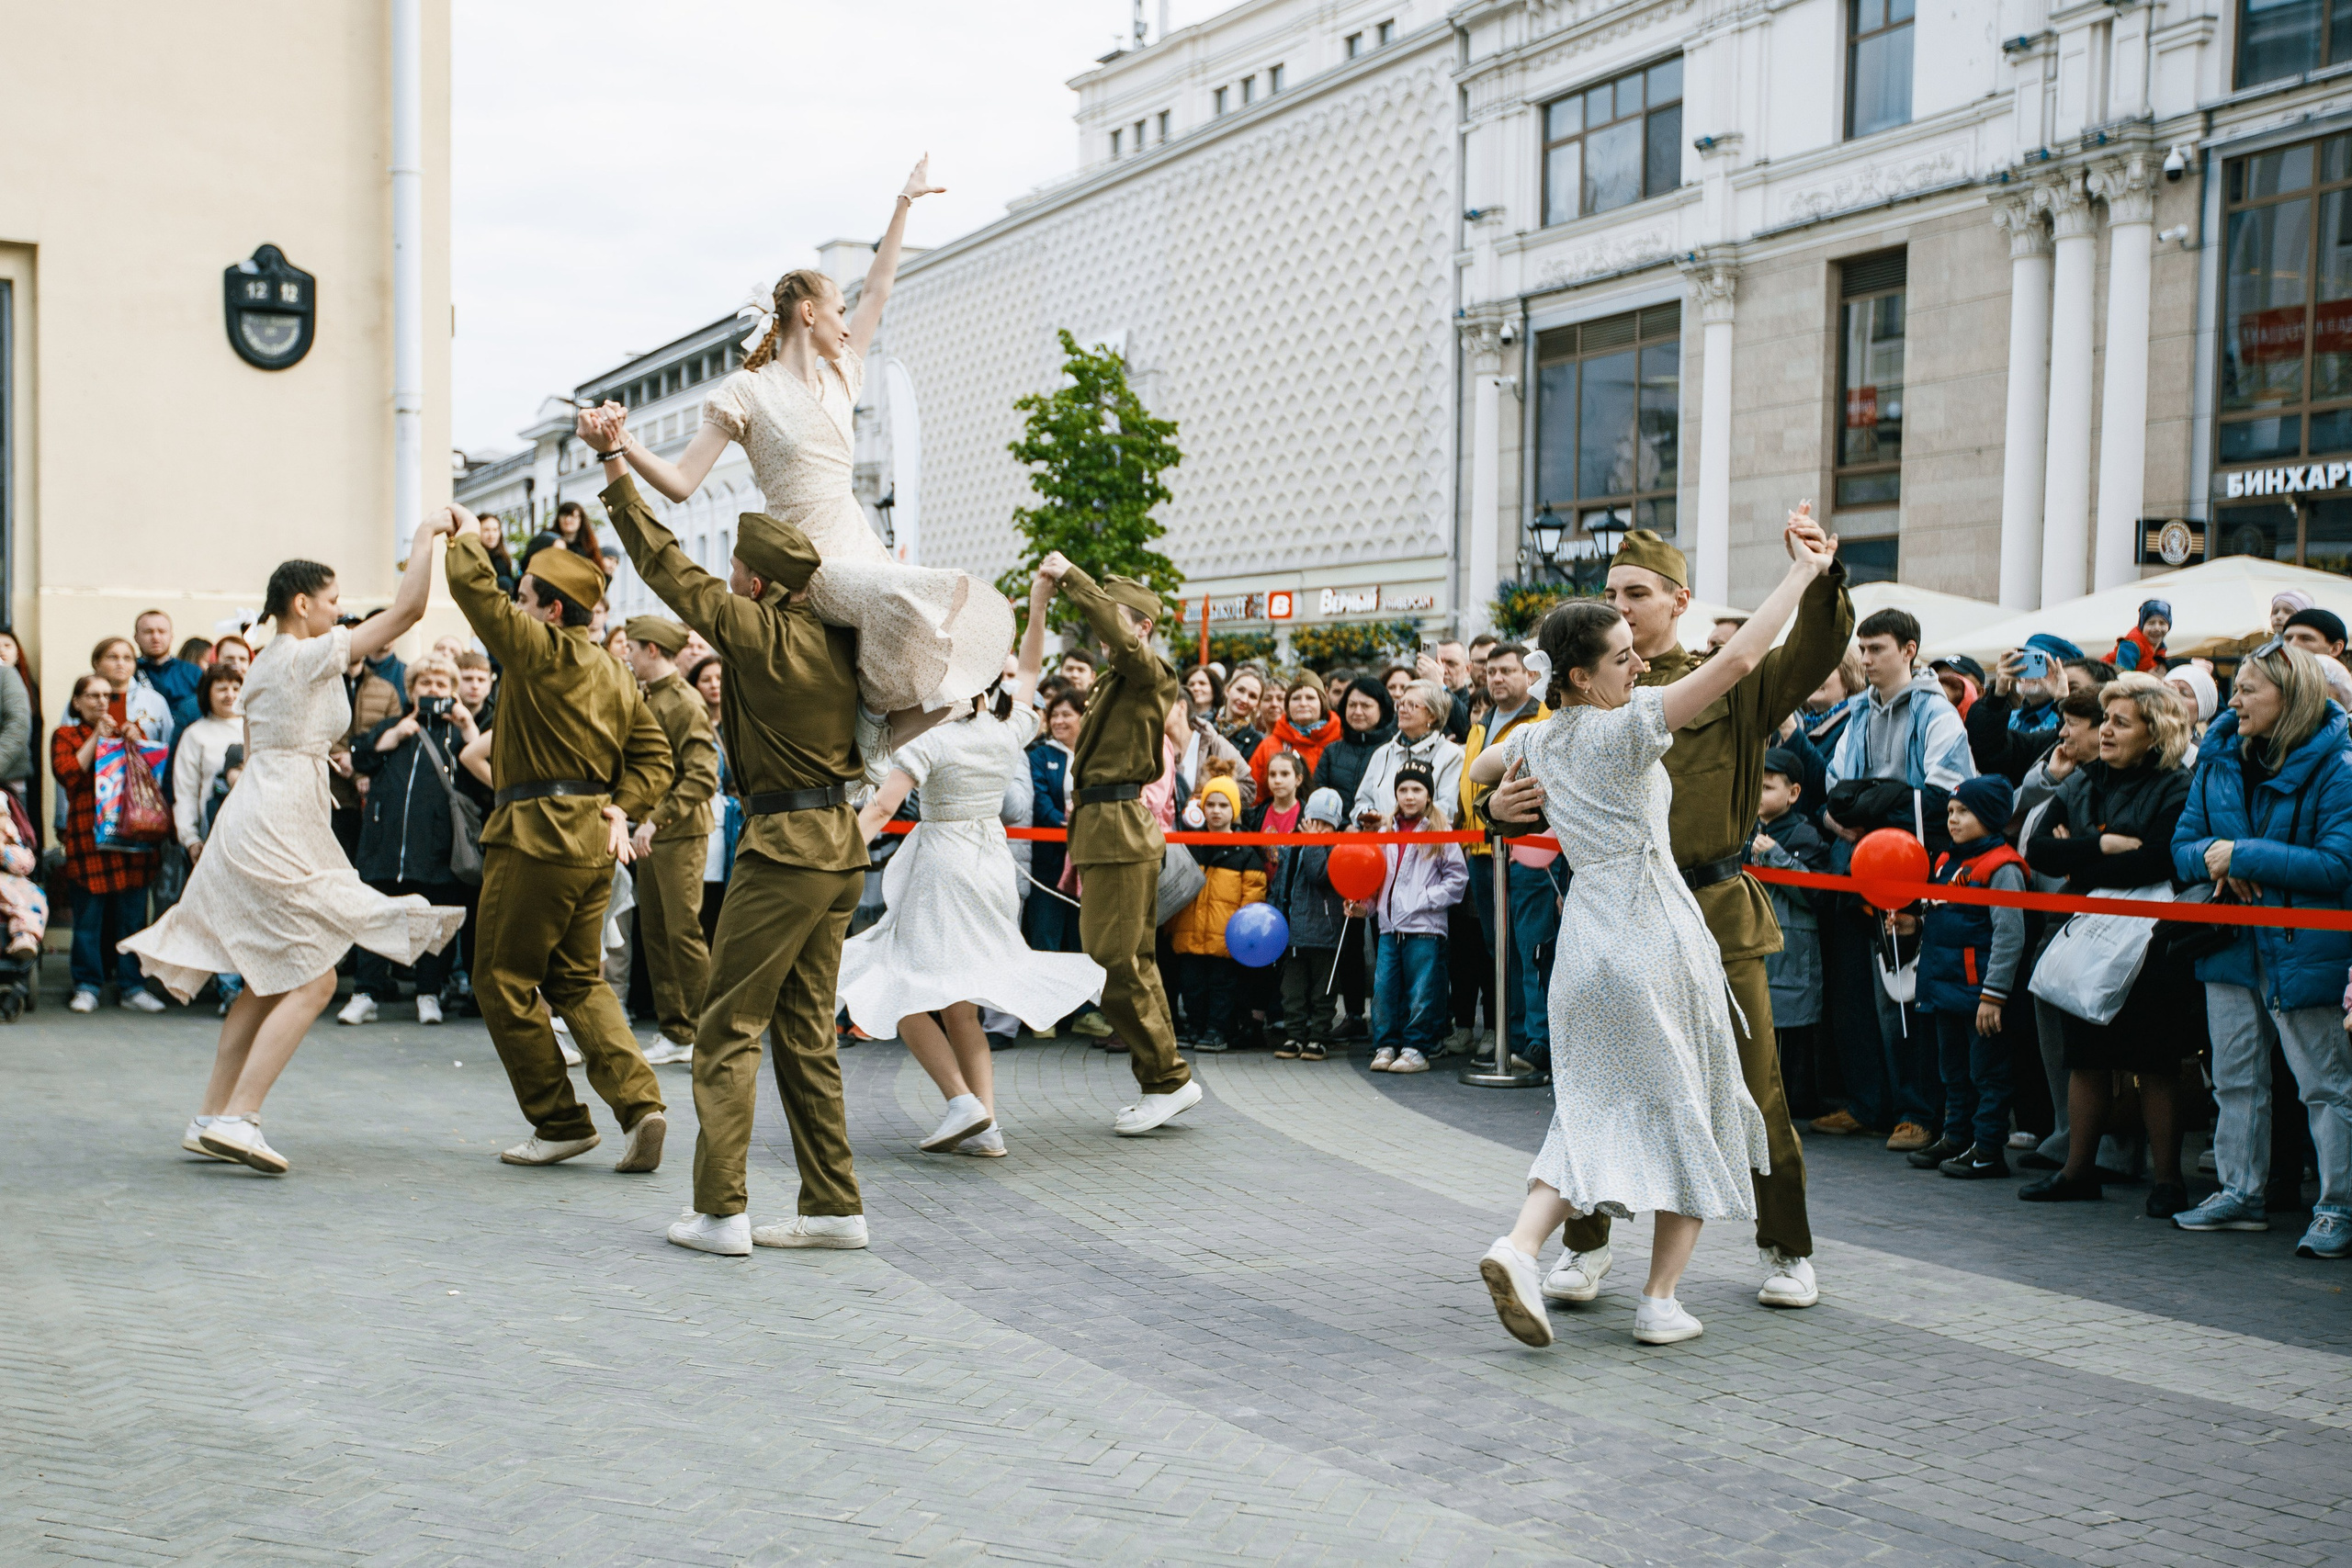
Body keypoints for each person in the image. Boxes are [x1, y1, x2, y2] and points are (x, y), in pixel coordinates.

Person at [1469, 519, 1838, 1349]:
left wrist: (1498, 795)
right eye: (1614, 616)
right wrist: (1803, 571)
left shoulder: (1543, 728)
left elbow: (1489, 762)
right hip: (1657, 935)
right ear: (1585, 669)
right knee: (1698, 1105)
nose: (1629, 633)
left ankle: (1525, 1243)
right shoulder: (1633, 718)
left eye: (1636, 602)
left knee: (1600, 1105)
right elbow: (1739, 655)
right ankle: (1651, 1291)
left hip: (1606, 936)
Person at [587, 161, 1012, 742]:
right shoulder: (747, 390)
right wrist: (623, 444)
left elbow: (880, 290)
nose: (847, 321)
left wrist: (903, 205)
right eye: (838, 310)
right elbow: (682, 483)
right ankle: (867, 729)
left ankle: (873, 736)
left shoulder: (842, 375)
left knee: (950, 648)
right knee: (902, 600)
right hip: (800, 558)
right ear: (809, 313)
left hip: (857, 542)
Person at [595, 459, 881, 1257]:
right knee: (805, 1029)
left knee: (727, 1026)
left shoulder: (756, 631)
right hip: (840, 848)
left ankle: (720, 1210)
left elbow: (662, 563)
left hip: (784, 847)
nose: (726, 578)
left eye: (736, 569)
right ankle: (832, 1205)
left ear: (756, 584)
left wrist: (617, 472)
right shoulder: (836, 638)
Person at [126, 529, 468, 1173]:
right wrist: (427, 537)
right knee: (316, 977)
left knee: (265, 976)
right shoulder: (302, 653)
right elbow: (409, 612)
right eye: (334, 598)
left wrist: (316, 764)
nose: (341, 609)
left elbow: (262, 752)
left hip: (264, 811)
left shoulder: (266, 661)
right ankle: (239, 1117)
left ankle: (212, 1114)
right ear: (302, 603)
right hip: (276, 820)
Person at [441, 501, 674, 1179]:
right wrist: (622, 808)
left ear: (549, 610)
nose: (514, 606)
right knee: (577, 979)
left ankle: (560, 1121)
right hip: (592, 842)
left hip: (534, 836)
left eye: (524, 598)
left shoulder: (538, 649)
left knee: (501, 979)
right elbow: (656, 756)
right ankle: (641, 1105)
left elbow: (472, 590)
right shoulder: (613, 671)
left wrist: (460, 535)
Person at [838, 572, 1102, 1155]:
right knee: (961, 999)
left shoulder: (930, 740)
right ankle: (987, 1125)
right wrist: (1039, 601)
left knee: (896, 987)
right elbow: (1031, 664)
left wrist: (835, 858)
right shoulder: (1010, 727)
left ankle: (961, 1103)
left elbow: (882, 807)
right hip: (990, 865)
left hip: (942, 866)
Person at [2170, 638, 2352, 1257]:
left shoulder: (2339, 763)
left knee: (2324, 1084)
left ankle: (2338, 1206)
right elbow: (2185, 846)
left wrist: (2240, 854)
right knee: (2236, 1078)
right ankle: (2238, 1191)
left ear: (2291, 695)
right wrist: (2217, 858)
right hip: (2231, 940)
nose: (2236, 698)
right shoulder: (2220, 753)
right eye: (2238, 686)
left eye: (2250, 688)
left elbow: (2338, 864)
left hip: (2305, 945)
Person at [1038, 551, 1202, 1133]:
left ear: (1143, 627)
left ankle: (1168, 1078)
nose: (1106, 626)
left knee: (1111, 962)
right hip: (1109, 830)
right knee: (1135, 962)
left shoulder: (1148, 671)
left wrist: (1074, 580)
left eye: (1117, 615)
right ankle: (1163, 1080)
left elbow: (1124, 642)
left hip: (1118, 831)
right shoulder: (1118, 680)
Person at [2021, 673, 2196, 1215]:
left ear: (2156, 728)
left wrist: (2080, 850)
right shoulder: (2086, 777)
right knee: (2086, 1057)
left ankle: (2168, 1179)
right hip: (2090, 932)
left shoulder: (2177, 784)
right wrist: (2103, 843)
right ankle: (2078, 1172)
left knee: (2154, 1059)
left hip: (2151, 941)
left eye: (2121, 722)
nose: (2107, 732)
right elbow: (2038, 850)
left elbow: (2160, 858)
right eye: (2106, 721)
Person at [1822, 607, 1976, 1154]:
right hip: (1859, 865)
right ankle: (1870, 1103)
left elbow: (1942, 800)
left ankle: (1919, 1112)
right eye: (1861, 650)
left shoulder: (1938, 713)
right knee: (1860, 996)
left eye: (1877, 649)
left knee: (1905, 997)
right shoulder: (1858, 712)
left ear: (1909, 649)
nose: (1865, 660)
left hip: (1915, 869)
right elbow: (1834, 791)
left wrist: (1872, 803)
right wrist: (1875, 803)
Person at [339, 654, 487, 1027]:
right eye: (425, 684)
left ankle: (428, 993)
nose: (433, 691)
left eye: (440, 685)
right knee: (376, 916)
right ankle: (366, 993)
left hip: (437, 845)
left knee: (434, 922)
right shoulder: (393, 725)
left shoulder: (460, 735)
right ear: (411, 690)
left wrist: (468, 727)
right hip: (385, 841)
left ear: (452, 693)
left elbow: (487, 770)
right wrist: (392, 736)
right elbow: (357, 757)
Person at [1909, 773, 2028, 1179]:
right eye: (1950, 812)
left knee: (1987, 1074)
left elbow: (2010, 935)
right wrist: (1911, 925)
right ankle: (1955, 1135)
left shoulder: (2002, 867)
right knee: (1953, 1072)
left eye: (1964, 812)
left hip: (1980, 995)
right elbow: (1942, 919)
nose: (1953, 820)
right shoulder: (1946, 862)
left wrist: (1993, 995)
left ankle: (1989, 1148)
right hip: (1945, 986)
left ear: (1991, 816)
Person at [620, 615, 720, 1066]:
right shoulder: (651, 696)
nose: (628, 655)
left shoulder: (683, 701)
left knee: (682, 934)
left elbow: (704, 776)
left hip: (676, 831)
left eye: (634, 649)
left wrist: (654, 820)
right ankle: (676, 1032)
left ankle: (705, 1034)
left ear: (653, 651)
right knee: (656, 933)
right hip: (652, 830)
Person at [1460, 643, 1551, 1066]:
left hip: (1528, 849)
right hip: (1481, 848)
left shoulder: (1542, 718)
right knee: (1499, 949)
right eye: (1491, 671)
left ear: (1528, 676)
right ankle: (1510, 1039)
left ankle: (1538, 1041)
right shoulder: (1479, 724)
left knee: (1531, 946)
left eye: (1507, 671)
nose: (1496, 678)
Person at [53, 673, 164, 1012]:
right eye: (92, 695)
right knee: (88, 920)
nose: (102, 701)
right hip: (89, 839)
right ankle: (87, 985)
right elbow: (70, 774)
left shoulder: (129, 730)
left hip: (131, 839)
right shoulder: (66, 735)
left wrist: (135, 738)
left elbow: (151, 774)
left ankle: (132, 987)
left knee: (132, 918)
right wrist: (96, 739)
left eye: (107, 695)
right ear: (77, 702)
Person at [1361, 761, 1465, 1075]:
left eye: (1417, 789)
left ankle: (1416, 1048)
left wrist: (1424, 900)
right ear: (1395, 794)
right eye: (1403, 789)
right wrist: (1364, 906)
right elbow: (1375, 876)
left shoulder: (1440, 832)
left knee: (1422, 991)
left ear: (1429, 795)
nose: (1409, 795)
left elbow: (1457, 879)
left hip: (1425, 928)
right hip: (1389, 927)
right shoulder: (1385, 832)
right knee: (1384, 990)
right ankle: (1385, 1045)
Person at [1747, 750, 1829, 1120]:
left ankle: (1796, 1104)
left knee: (1792, 1034)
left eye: (1766, 787)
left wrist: (1779, 857)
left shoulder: (1804, 833)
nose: (1758, 795)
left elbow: (1816, 895)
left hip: (1792, 949)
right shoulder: (1746, 831)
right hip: (1756, 943)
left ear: (1794, 793)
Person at [1166, 767, 1264, 1053]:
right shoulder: (1190, 846)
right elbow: (1175, 888)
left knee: (1222, 988)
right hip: (1189, 933)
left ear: (1234, 810)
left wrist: (1242, 936)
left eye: (1223, 805)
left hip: (1225, 939)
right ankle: (1196, 1026)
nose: (1216, 811)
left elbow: (1252, 898)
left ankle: (1217, 1030)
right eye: (1210, 804)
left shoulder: (1244, 852)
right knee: (1192, 987)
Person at [1268, 786, 1346, 1061]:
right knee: (1292, 991)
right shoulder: (1294, 844)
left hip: (1324, 930)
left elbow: (1319, 875)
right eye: (1313, 822)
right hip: (1293, 931)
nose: (1318, 829)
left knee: (1323, 991)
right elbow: (1282, 882)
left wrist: (1314, 842)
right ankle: (1294, 1035)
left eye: (1325, 824)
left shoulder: (1335, 848)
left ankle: (1318, 1037)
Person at [1964, 633, 2085, 784]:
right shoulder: (2008, 714)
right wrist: (1997, 696)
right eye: (2021, 660)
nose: (2026, 669)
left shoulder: (2064, 718)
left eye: (2038, 663)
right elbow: (1990, 754)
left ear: (2062, 673)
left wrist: (2062, 702)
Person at [1351, 678, 1465, 824]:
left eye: (1411, 705)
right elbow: (1361, 802)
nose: (1402, 709)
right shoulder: (1382, 753)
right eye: (1400, 703)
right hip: (1381, 843)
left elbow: (1447, 811)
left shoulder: (1452, 756)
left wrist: (1391, 822)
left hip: (1428, 845)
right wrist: (1369, 815)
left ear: (1432, 715)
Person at [171, 664, 243, 868]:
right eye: (222, 689)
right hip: (213, 835)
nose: (230, 695)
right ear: (207, 693)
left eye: (236, 688)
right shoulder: (195, 734)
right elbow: (186, 792)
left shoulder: (256, 728)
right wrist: (191, 839)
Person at [1248, 682, 1338, 796]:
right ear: (1288, 706)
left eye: (1310, 698)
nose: (1303, 703)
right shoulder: (1269, 745)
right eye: (1296, 698)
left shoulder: (1340, 740)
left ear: (1322, 703)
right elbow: (1254, 796)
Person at [133, 609, 204, 733]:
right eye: (148, 632)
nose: (155, 637)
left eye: (161, 631)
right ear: (136, 637)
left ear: (171, 636)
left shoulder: (193, 673)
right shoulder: (129, 673)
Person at [2112, 599, 2172, 672]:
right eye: (2151, 623)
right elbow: (2123, 676)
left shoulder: (2161, 647)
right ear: (2141, 626)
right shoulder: (2130, 645)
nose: (2157, 628)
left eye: (2162, 623)